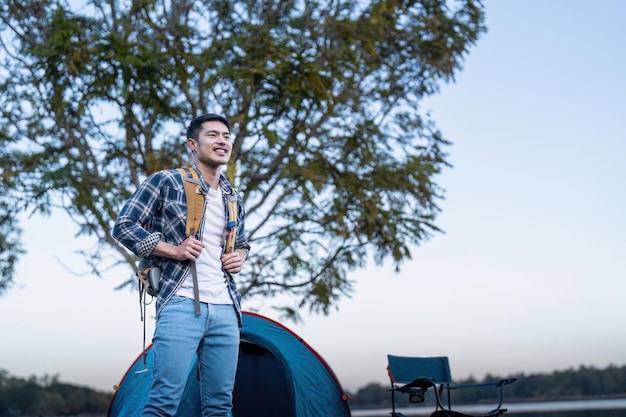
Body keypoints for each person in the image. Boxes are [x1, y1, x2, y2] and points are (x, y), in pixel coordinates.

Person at [112, 113, 250, 417]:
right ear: (192, 144)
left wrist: (240, 255)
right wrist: (172, 250)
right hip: (180, 302)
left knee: (220, 407)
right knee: (163, 404)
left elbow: (241, 244)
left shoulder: (233, 198)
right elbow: (124, 225)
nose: (222, 141)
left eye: (226, 136)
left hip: (227, 308)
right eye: (212, 135)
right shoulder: (167, 180)